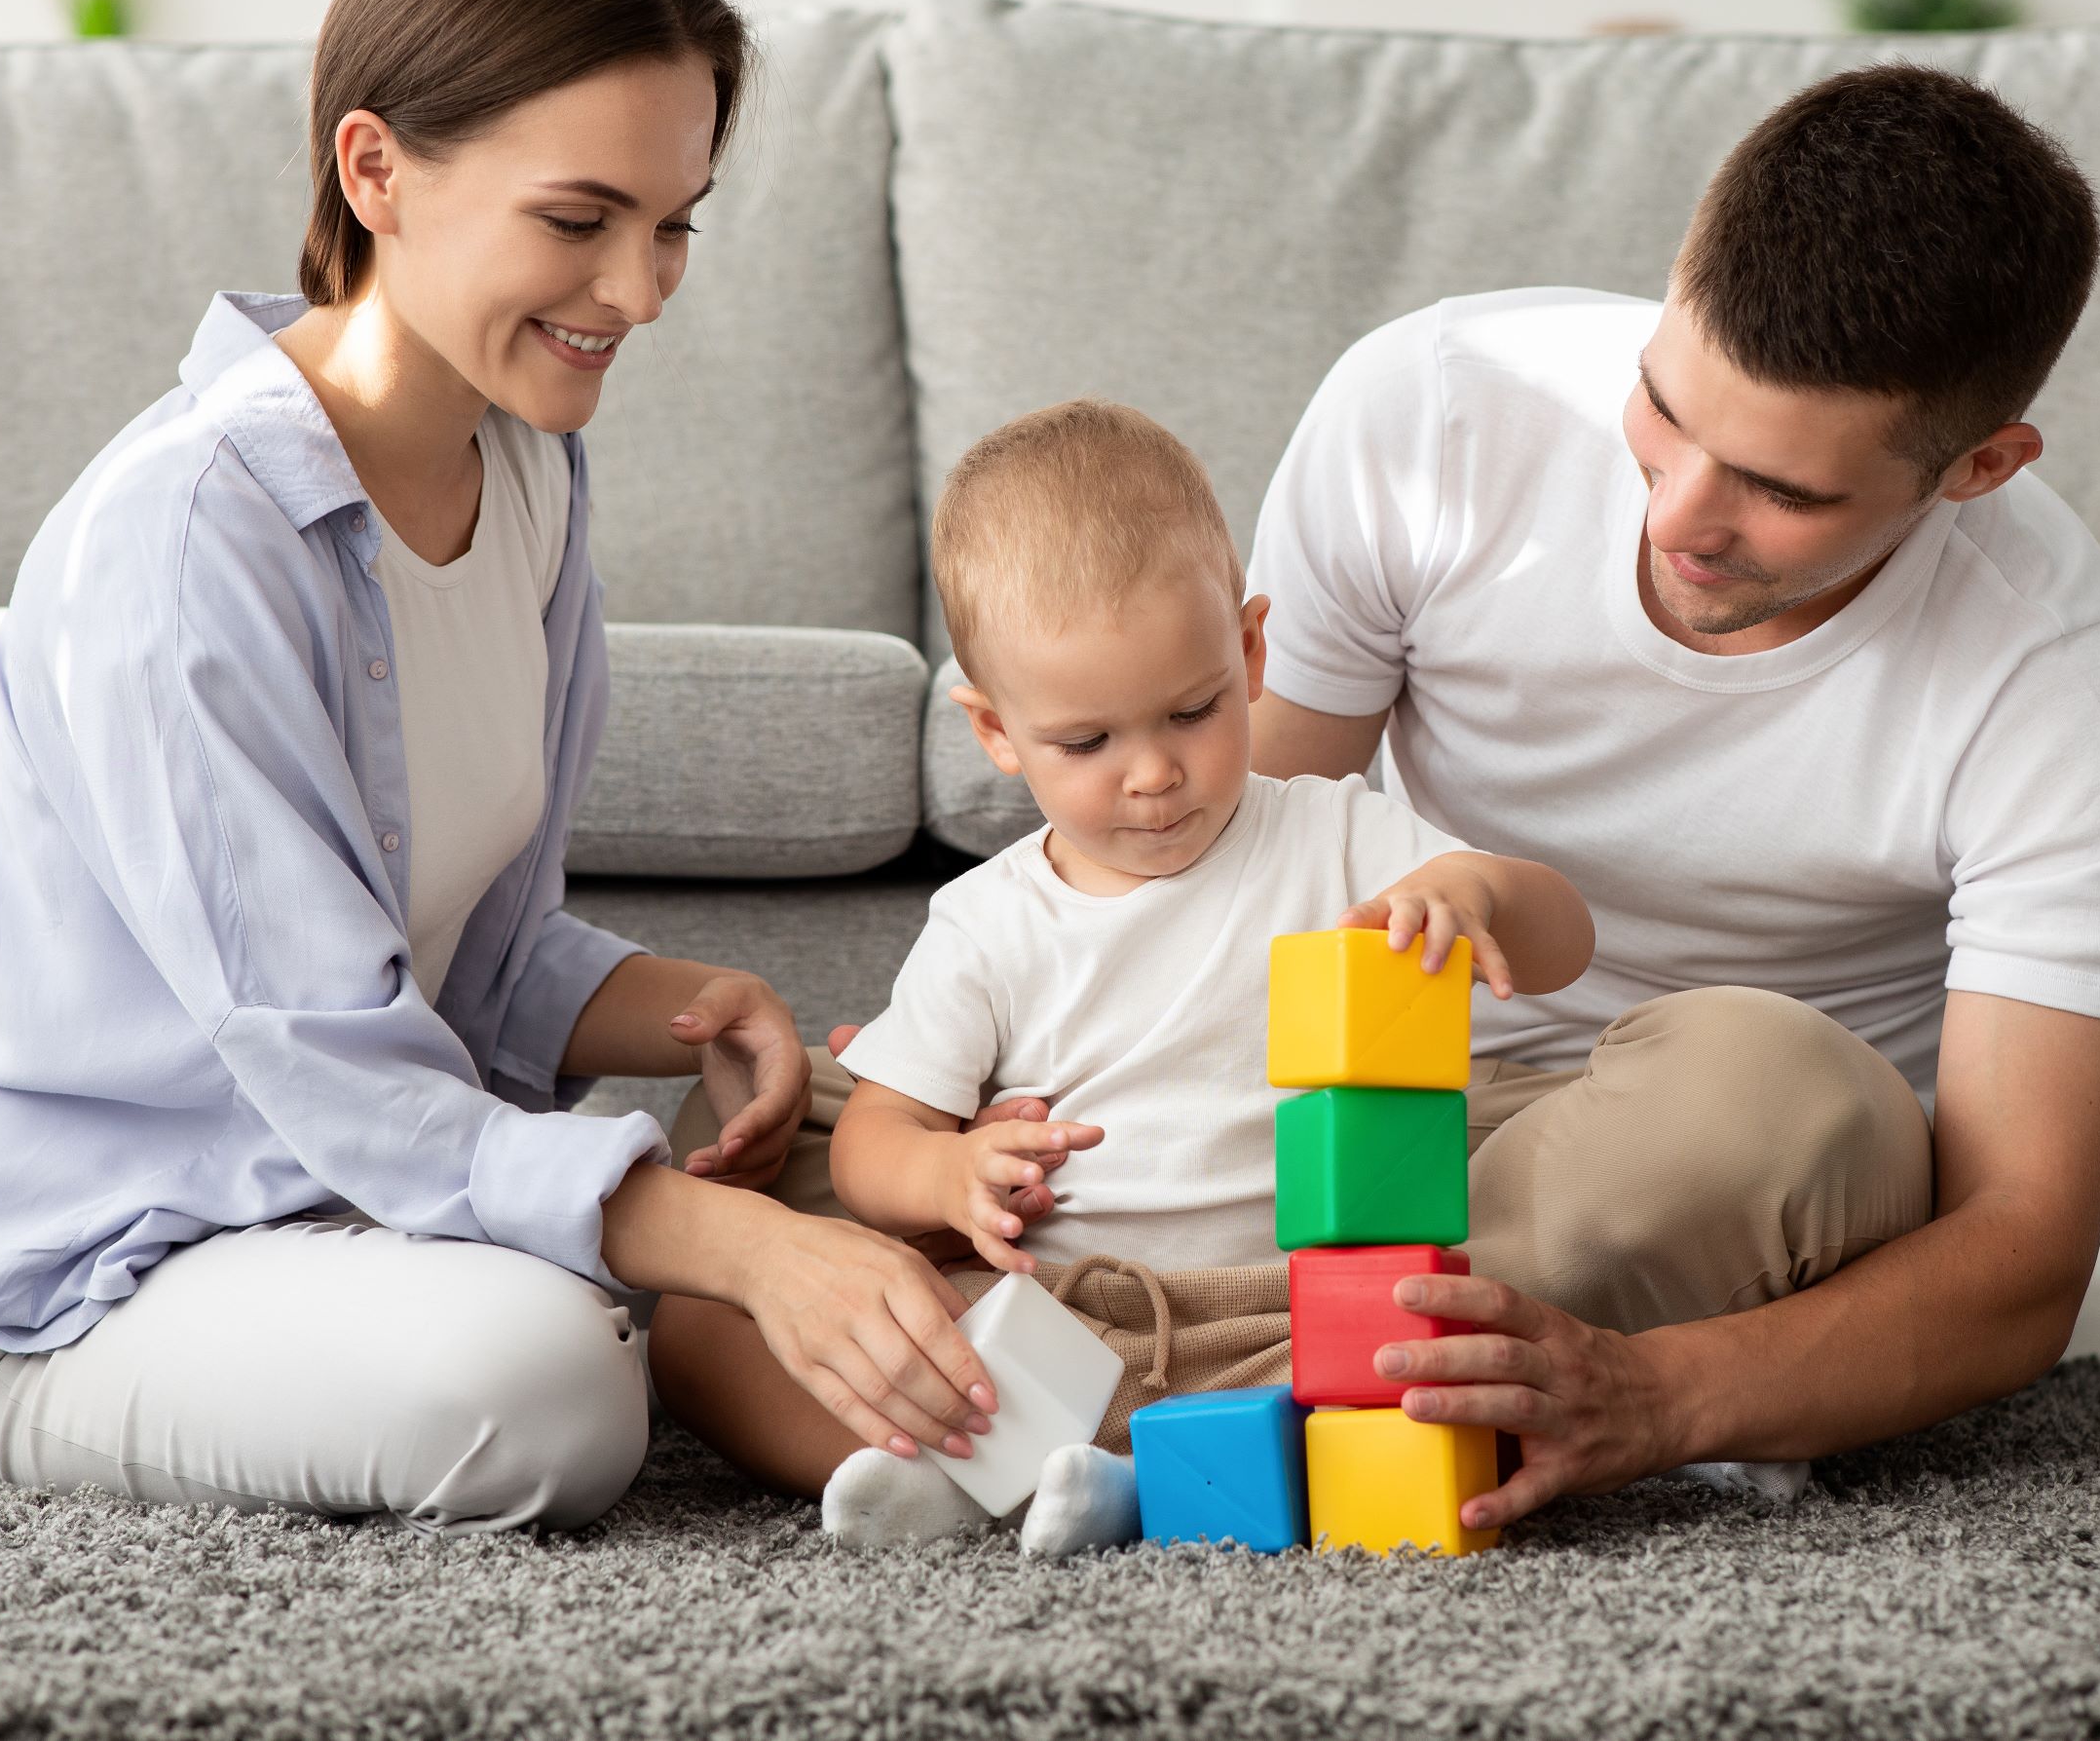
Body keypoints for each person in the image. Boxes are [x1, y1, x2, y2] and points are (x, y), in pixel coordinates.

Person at [0, 0, 1003, 1535]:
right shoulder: (185, 537)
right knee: (544, 1387)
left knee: (895, 1138)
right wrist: (737, 1242)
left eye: (672, 222)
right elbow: (332, 1046)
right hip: (101, 1272)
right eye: (577, 218)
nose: (640, 289)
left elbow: (464, 940)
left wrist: (691, 999)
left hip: (346, 1210)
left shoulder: (527, 467)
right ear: (375, 168)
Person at [1244, 63, 2100, 1530]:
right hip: (1386, 1093)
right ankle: (1284, 1342)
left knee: (1778, 1091)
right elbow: (1236, 847)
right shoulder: (1430, 406)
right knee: (848, 1120)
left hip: (1709, 1167)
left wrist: (1667, 1394)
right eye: (1663, 409)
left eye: (1780, 491)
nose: (1676, 514)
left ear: (1981, 468)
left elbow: (2022, 1256)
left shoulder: (2061, 687)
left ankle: (1135, 1341)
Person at [650, 400, 1595, 1551]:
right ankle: (1054, 1467)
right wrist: (950, 1173)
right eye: (1086, 743)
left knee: (1481, 1330)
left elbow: (1563, 940)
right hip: (1067, 1314)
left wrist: (1480, 899)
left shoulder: (1339, 835)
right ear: (996, 730)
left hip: (1294, 1310)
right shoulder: (988, 919)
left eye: (1192, 711)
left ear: (1249, 652)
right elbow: (873, 1138)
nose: (1152, 773)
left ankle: (1084, 1482)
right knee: (705, 1334)